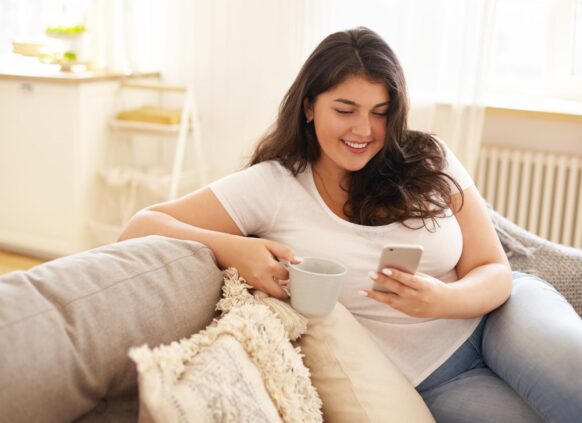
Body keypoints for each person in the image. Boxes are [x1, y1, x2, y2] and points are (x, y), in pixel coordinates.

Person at [119, 26, 582, 422]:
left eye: (380, 113)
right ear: (308, 107)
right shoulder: (272, 186)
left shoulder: (429, 156)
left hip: (505, 316)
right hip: (433, 378)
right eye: (345, 110)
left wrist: (443, 298)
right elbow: (140, 226)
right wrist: (232, 248)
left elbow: (493, 268)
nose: (364, 131)